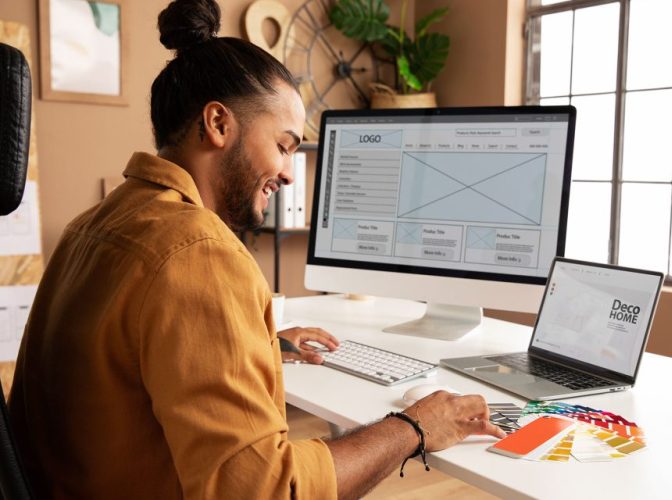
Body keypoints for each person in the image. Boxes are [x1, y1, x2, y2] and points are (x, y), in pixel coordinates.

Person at [8, 0, 505, 498]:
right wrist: (415, 427)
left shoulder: (92, 225)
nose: (290, 172)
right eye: (284, 145)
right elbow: (269, 490)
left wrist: (257, 341)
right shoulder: (199, 254)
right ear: (219, 125)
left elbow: (125, 357)